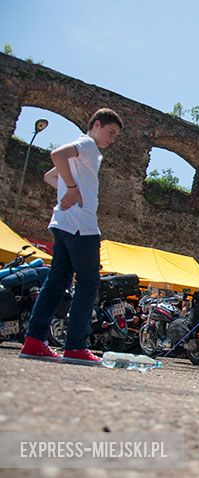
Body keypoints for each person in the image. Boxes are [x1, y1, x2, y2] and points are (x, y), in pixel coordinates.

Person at [19, 108, 123, 365]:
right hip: (81, 226)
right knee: (88, 284)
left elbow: (49, 176)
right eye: (110, 133)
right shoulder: (87, 144)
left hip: (63, 223)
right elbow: (57, 155)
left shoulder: (88, 153)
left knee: (56, 283)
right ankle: (76, 345)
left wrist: (68, 188)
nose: (112, 139)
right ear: (96, 124)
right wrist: (74, 190)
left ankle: (34, 340)